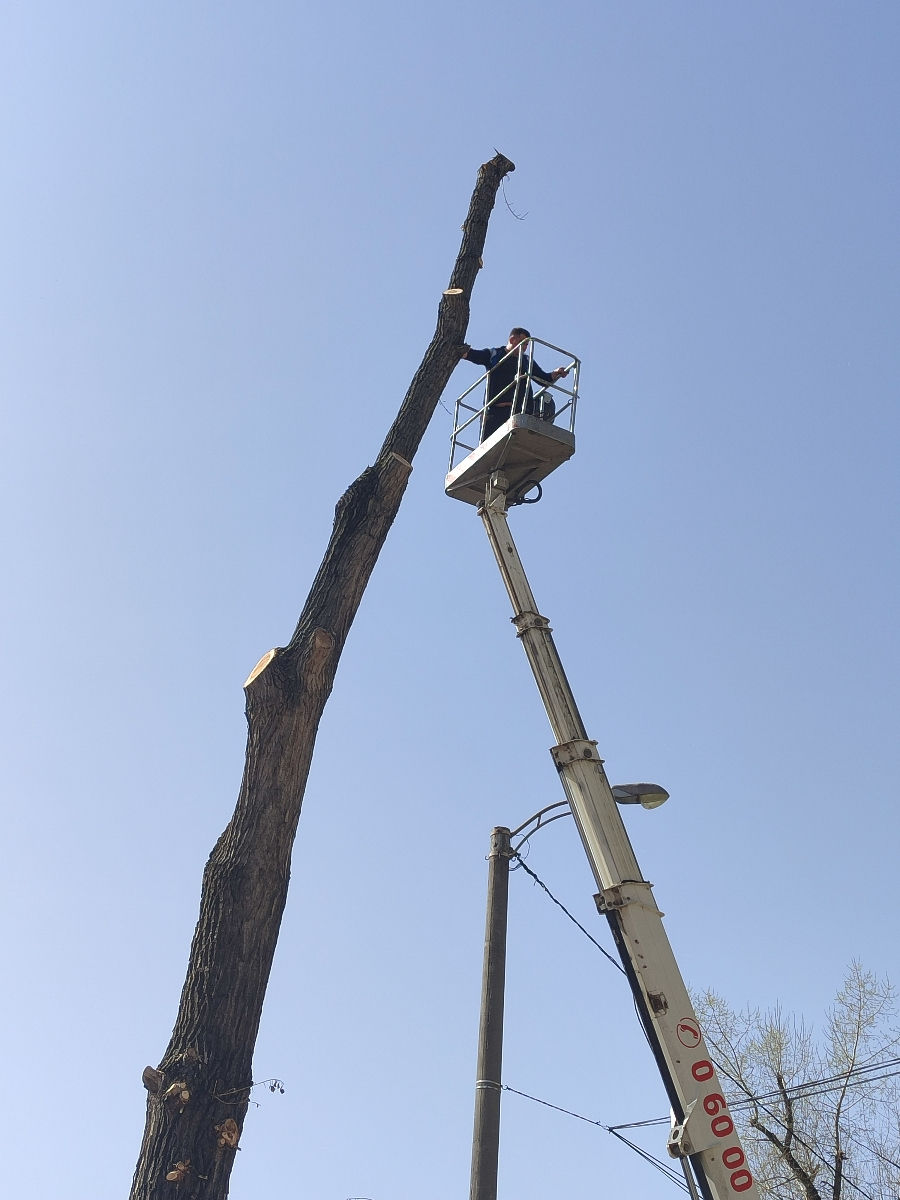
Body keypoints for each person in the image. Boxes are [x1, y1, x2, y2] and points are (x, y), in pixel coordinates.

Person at [459, 328, 569, 441]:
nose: (525, 347)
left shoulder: (526, 361)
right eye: (523, 343)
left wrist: (555, 374)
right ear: (512, 340)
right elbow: (474, 355)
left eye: (527, 345)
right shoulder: (494, 354)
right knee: (489, 450)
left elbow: (543, 379)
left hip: (518, 413)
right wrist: (461, 350)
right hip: (494, 414)